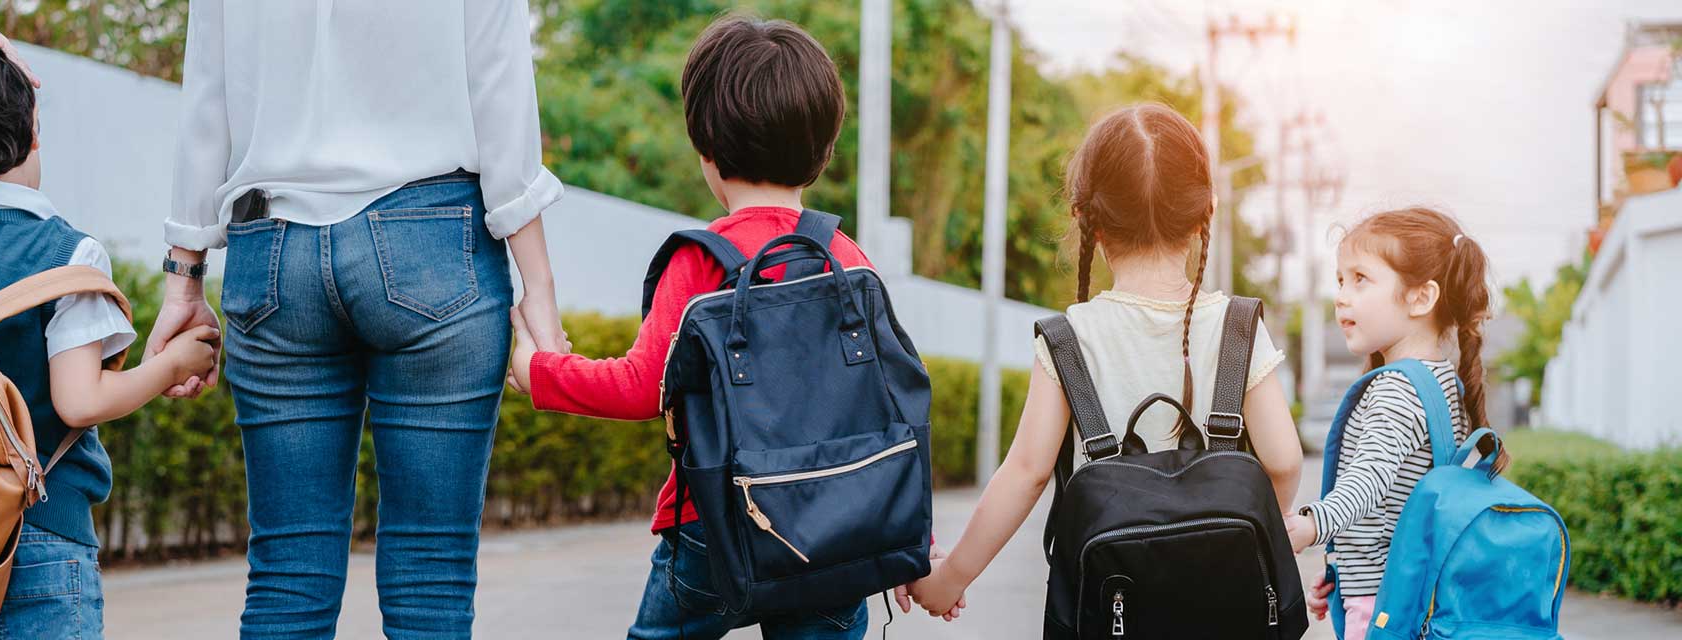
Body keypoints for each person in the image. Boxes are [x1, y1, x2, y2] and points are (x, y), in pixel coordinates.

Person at [154, 1, 568, 637]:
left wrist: (184, 279)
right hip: (431, 239)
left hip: (272, 249)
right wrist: (536, 284)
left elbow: (206, 87)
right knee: (431, 575)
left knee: (286, 574)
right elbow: (500, 80)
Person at [505, 15, 920, 639]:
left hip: (712, 530)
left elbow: (641, 387)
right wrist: (910, 530)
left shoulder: (701, 259)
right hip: (837, 532)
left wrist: (537, 371)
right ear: (824, 148)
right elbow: (886, 408)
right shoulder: (847, 261)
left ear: (706, 146)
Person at [0, 3, 220, 637]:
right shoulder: (70, 255)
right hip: (41, 544)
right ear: (31, 126)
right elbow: (79, 401)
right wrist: (172, 365)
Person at [905, 103, 1305, 617]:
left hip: (1113, 604)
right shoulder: (1238, 326)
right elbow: (1285, 460)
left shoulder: (1070, 337)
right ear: (1206, 212)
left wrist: (950, 577)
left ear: (1085, 218)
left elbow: (1026, 472)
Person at [1282, 207, 1497, 640]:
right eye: (1341, 280)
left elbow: (1369, 482)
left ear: (1421, 297)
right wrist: (1342, 566)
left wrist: (1311, 524)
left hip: (1383, 607)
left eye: (1361, 279)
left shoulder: (1396, 389)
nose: (1342, 295)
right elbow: (1398, 510)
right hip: (1415, 600)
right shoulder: (1441, 383)